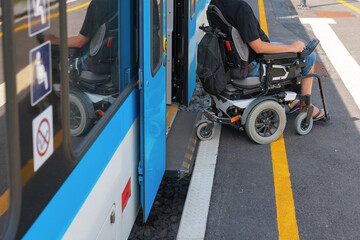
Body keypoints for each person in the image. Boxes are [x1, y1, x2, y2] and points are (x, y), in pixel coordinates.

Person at [210, 0, 325, 120]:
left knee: (288, 48)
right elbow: (258, 47)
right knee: (308, 56)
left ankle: (295, 100)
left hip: (235, 61)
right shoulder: (241, 9)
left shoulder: (216, 3)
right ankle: (305, 106)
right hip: (254, 64)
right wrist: (291, 48)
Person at [44, 0, 118, 70]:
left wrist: (54, 40)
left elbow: (79, 42)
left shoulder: (98, 4)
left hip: (98, 63)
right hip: (115, 57)